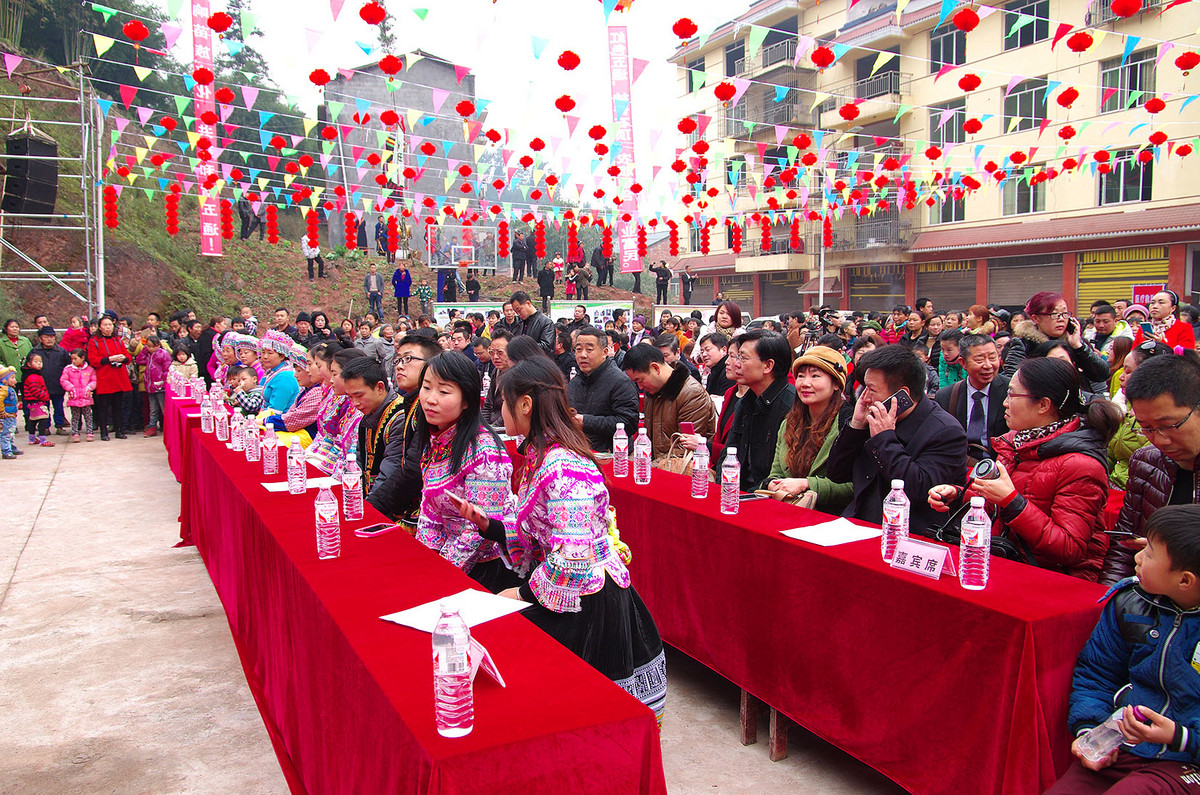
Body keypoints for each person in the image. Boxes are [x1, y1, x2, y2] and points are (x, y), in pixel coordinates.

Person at [463, 356, 666, 722]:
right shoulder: (542, 455)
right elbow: (541, 532)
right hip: (571, 590)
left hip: (587, 601)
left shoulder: (565, 466)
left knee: (575, 704)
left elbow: (572, 554)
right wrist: (490, 526)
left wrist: (522, 594)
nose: (500, 413)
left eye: (502, 403)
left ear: (524, 405)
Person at [1046, 506, 1200, 794]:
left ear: (1185, 580)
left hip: (1187, 760)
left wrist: (1180, 737)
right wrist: (1091, 729)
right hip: (1126, 746)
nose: (1138, 557)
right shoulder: (1130, 603)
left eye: (1150, 553)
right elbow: (1098, 672)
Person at [930, 357, 1120, 580]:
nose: (1005, 403)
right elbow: (995, 505)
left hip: (1054, 580)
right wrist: (958, 495)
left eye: (1012, 395)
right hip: (1005, 564)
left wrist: (1012, 502)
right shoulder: (1016, 443)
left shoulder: (1081, 465)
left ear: (1043, 405)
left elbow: (1070, 548)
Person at [410, 351, 521, 590]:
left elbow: (481, 530)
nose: (430, 399)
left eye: (444, 391)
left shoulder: (485, 451)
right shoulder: (437, 439)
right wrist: (425, 559)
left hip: (485, 566)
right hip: (447, 558)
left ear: (467, 400)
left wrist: (442, 570)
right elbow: (429, 509)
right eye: (426, 387)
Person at [827, 345, 967, 528]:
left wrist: (884, 438)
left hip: (908, 532)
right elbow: (836, 473)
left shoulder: (946, 431)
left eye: (872, 389)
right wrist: (856, 427)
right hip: (859, 521)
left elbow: (919, 490)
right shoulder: (872, 418)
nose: (865, 397)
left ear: (902, 396)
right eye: (864, 388)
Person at [1100, 351, 1200, 585]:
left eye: (1169, 425)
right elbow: (1123, 548)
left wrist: (1174, 554)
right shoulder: (1145, 462)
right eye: (1146, 427)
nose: (1160, 439)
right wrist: (1108, 601)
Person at [721, 330, 796, 491]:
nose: (736, 364)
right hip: (736, 494)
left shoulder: (792, 407)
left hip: (767, 497)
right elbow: (728, 453)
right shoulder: (746, 402)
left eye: (743, 358)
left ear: (768, 365)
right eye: (737, 357)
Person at [622, 343, 716, 460]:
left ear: (655, 368)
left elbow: (685, 450)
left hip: (679, 470)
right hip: (657, 467)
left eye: (639, 380)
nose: (640, 387)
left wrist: (649, 467)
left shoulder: (691, 394)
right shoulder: (652, 392)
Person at [1004, 292, 1109, 386]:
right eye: (1054, 314)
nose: (1061, 319)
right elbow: (1013, 382)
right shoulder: (1024, 344)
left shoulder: (1074, 342)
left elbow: (1102, 374)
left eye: (1064, 314)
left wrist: (1078, 347)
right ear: (1035, 318)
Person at [933, 333, 1011, 456]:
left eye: (992, 358)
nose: (988, 365)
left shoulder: (1011, 391)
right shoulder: (946, 396)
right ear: (963, 363)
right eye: (979, 359)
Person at [565, 327, 639, 452]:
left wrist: (585, 421)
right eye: (578, 349)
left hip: (612, 455)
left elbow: (628, 423)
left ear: (605, 352)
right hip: (580, 452)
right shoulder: (574, 383)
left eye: (589, 350)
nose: (582, 355)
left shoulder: (620, 382)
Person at [306, 346, 365, 474]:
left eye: (334, 373)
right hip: (332, 461)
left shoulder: (361, 409)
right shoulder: (338, 398)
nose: (331, 379)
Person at [1108, 341, 1155, 489]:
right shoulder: (1122, 406)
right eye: (1122, 370)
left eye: (1128, 372)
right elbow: (1109, 453)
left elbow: (1151, 460)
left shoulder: (1159, 417)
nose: (1121, 377)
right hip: (1114, 484)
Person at [263, 344, 326, 446]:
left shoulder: (318, 392)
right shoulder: (307, 390)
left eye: (310, 365)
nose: (308, 370)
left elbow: (294, 420)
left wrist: (266, 421)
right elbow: (291, 414)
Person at [87, 314, 132, 441]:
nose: (108, 327)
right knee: (103, 406)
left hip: (118, 376)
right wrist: (109, 359)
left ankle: (119, 430)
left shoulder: (117, 340)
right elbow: (93, 360)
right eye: (105, 325)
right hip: (104, 376)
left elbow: (128, 357)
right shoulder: (94, 341)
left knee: (118, 406)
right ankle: (103, 432)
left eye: (110, 325)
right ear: (100, 327)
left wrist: (123, 358)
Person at [31, 326, 69, 435]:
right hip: (41, 387)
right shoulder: (35, 351)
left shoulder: (61, 351)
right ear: (40, 338)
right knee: (43, 409)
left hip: (57, 385)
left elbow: (68, 367)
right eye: (46, 337)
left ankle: (60, 426)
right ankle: (45, 427)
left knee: (59, 407)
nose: (49, 339)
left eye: (52, 337)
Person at [258, 329, 301, 413]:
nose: (265, 356)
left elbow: (276, 410)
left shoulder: (284, 376)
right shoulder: (272, 371)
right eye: (263, 352)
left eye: (270, 353)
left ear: (281, 356)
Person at [60, 348, 95, 442]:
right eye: (72, 359)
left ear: (82, 358)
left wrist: (89, 388)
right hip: (74, 397)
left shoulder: (89, 369)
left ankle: (89, 432)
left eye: (75, 358)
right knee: (75, 417)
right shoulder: (68, 369)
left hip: (86, 397)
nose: (73, 361)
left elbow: (93, 380)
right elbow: (63, 380)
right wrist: (71, 388)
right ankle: (75, 433)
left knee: (88, 416)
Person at [140, 334, 171, 436]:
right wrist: (144, 351)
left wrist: (163, 381)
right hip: (150, 386)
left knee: (164, 409)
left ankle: (168, 427)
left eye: (152, 346)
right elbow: (139, 360)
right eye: (148, 346)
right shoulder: (148, 354)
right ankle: (152, 427)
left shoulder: (163, 354)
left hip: (160, 386)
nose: (150, 348)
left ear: (158, 345)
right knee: (153, 409)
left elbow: (167, 369)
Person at [481, 329, 512, 427]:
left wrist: (492, 430)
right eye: (491, 352)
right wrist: (483, 427)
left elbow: (511, 411)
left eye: (500, 352)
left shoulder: (517, 376)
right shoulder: (496, 371)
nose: (495, 357)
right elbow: (487, 405)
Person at [21, 352, 53, 446]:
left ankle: (32, 438)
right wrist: (45, 396)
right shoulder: (33, 376)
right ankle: (42, 439)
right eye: (36, 361)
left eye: (40, 361)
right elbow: (35, 390)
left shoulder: (33, 375)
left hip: (32, 402)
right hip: (37, 401)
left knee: (33, 419)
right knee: (43, 419)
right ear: (29, 364)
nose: (39, 363)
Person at [699, 332, 732, 397]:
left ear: (724, 350)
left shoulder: (729, 371)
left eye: (707, 350)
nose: (704, 355)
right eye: (702, 351)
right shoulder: (714, 371)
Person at [0, 366, 17, 458]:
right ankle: (6, 451)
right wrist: (2, 412)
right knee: (5, 433)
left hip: (11, 415)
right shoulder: (3, 389)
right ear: (4, 380)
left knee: (11, 432)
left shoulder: (8, 388)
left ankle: (12, 447)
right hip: (6, 416)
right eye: (12, 378)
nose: (14, 380)